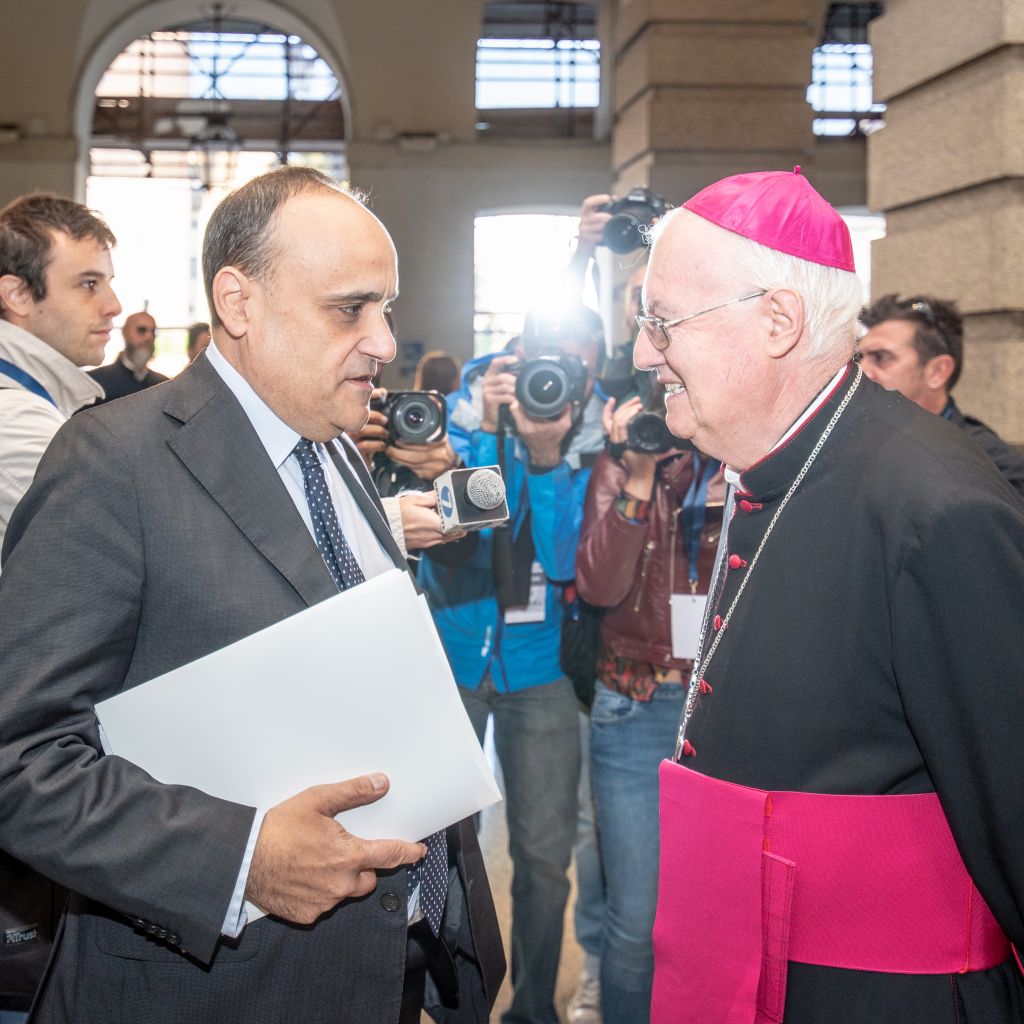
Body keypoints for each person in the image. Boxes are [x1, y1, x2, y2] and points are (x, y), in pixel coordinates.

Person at [0, 166, 504, 1024]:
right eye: (350, 309)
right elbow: (21, 760)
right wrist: (240, 860)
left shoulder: (336, 447)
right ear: (238, 303)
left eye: (386, 307)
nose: (384, 341)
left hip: (396, 971)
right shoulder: (113, 464)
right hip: (216, 991)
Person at [635, 168, 1024, 1023]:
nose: (641, 353)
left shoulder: (936, 509)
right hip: (749, 968)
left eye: (662, 322)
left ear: (777, 322)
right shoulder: (764, 471)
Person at [418, 304, 606, 1024]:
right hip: (455, 660)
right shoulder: (462, 427)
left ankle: (534, 1009)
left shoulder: (574, 446)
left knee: (541, 858)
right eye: (525, 372)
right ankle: (441, 995)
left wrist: (549, 457)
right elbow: (452, 538)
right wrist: (479, 430)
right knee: (432, 842)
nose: (538, 389)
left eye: (550, 376)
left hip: (541, 674)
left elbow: (563, 563)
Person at [0, 192, 120, 1021]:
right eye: (86, 284)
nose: (113, 306)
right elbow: (133, 548)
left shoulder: (49, 402)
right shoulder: (18, 421)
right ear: (17, 296)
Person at [574, 391, 721, 1024]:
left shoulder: (733, 463)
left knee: (714, 913)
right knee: (635, 918)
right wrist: (635, 472)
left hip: (719, 706)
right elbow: (598, 584)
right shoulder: (620, 464)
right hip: (634, 704)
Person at [858, 293, 1024, 497]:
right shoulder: (853, 442)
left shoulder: (996, 472)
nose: (862, 371)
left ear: (938, 372)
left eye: (881, 357)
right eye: (859, 357)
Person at [88, 309, 168, 403]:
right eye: (141, 330)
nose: (149, 337)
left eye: (153, 332)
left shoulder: (164, 385)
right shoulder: (95, 383)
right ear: (125, 332)